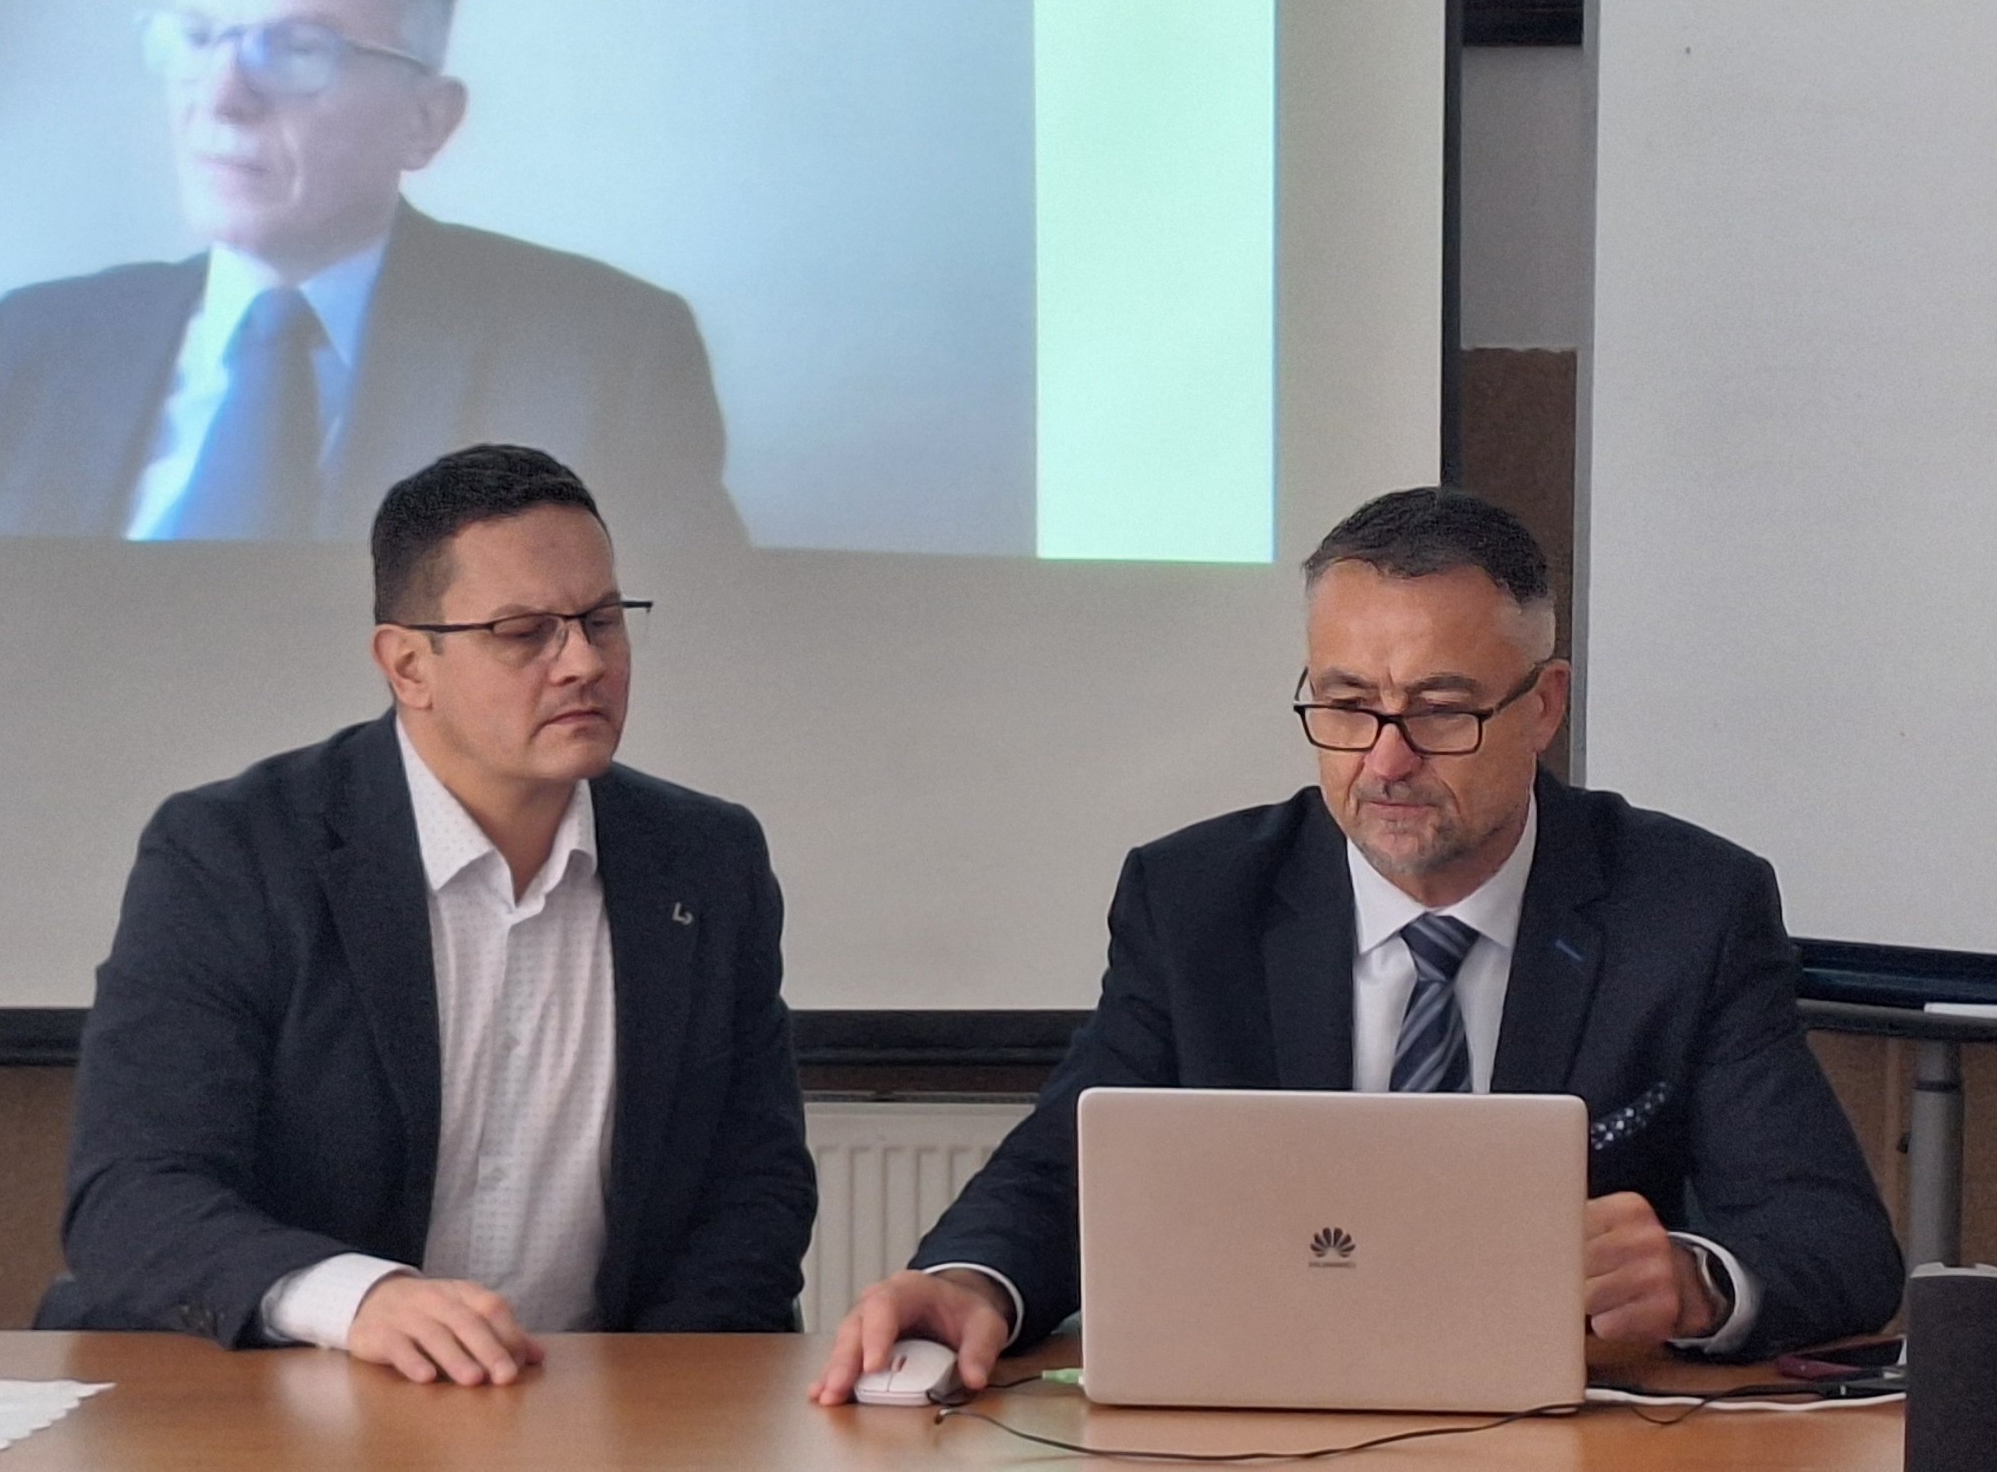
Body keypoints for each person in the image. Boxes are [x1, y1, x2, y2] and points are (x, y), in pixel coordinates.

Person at [813, 487, 1904, 1403]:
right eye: (1345, 704)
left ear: (1543, 707)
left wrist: (1695, 1280)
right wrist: (969, 1281)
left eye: (1440, 710)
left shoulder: (1688, 907)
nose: (1384, 761)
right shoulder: (1196, 901)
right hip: (1261, 1428)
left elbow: (1835, 1241)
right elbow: (1062, 1171)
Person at [41, 444, 812, 1379]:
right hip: (286, 1395)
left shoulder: (705, 859)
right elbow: (133, 1195)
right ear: (408, 666)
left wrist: (643, 1399)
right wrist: (356, 1300)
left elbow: (754, 1190)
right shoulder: (235, 852)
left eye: (603, 622)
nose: (582, 663)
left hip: (594, 1405)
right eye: (524, 632)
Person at [0, 0, 742, 555]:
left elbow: (677, 673)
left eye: (298, 49)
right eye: (197, 37)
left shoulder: (600, 355)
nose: (221, 96)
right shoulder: (33, 345)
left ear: (425, 120)